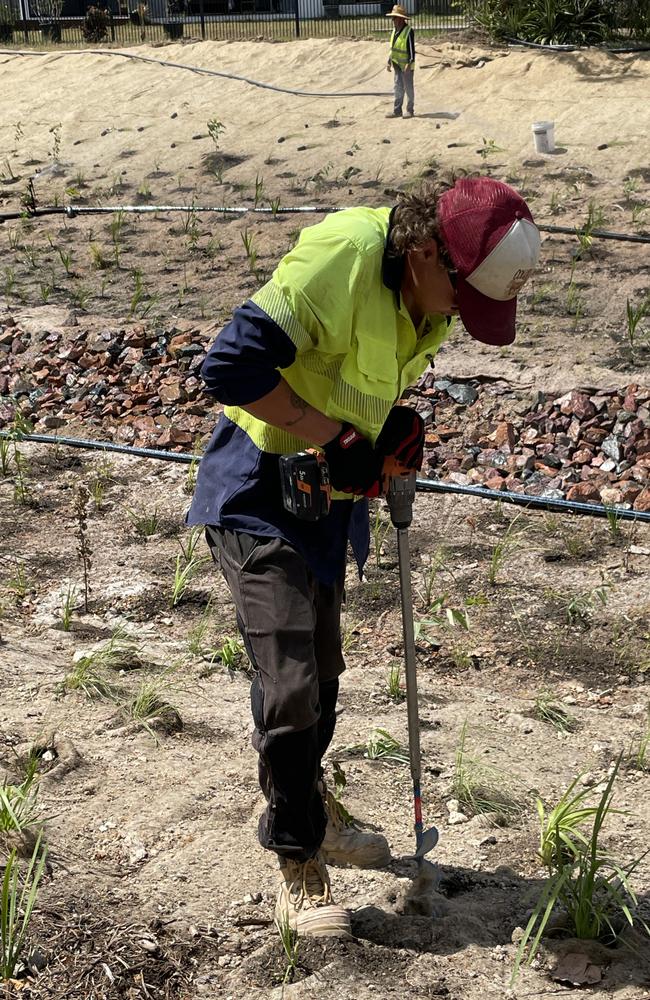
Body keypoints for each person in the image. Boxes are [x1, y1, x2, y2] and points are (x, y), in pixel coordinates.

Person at [187, 174, 541, 939]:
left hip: (324, 497)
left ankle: (300, 799)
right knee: (289, 682)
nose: (461, 315)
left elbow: (362, 381)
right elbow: (231, 366)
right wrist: (334, 435)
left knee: (323, 677)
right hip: (257, 486)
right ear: (424, 252)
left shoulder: (430, 295)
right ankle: (298, 861)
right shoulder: (342, 259)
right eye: (463, 297)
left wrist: (386, 431)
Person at [385, 3, 415, 119]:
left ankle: (410, 110)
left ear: (401, 19)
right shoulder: (394, 31)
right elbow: (393, 48)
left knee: (408, 88)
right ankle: (397, 110)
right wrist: (389, 60)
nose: (393, 20)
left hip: (406, 65)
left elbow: (412, 50)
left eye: (395, 17)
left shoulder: (408, 31)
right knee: (398, 87)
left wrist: (409, 63)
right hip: (396, 64)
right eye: (392, 18)